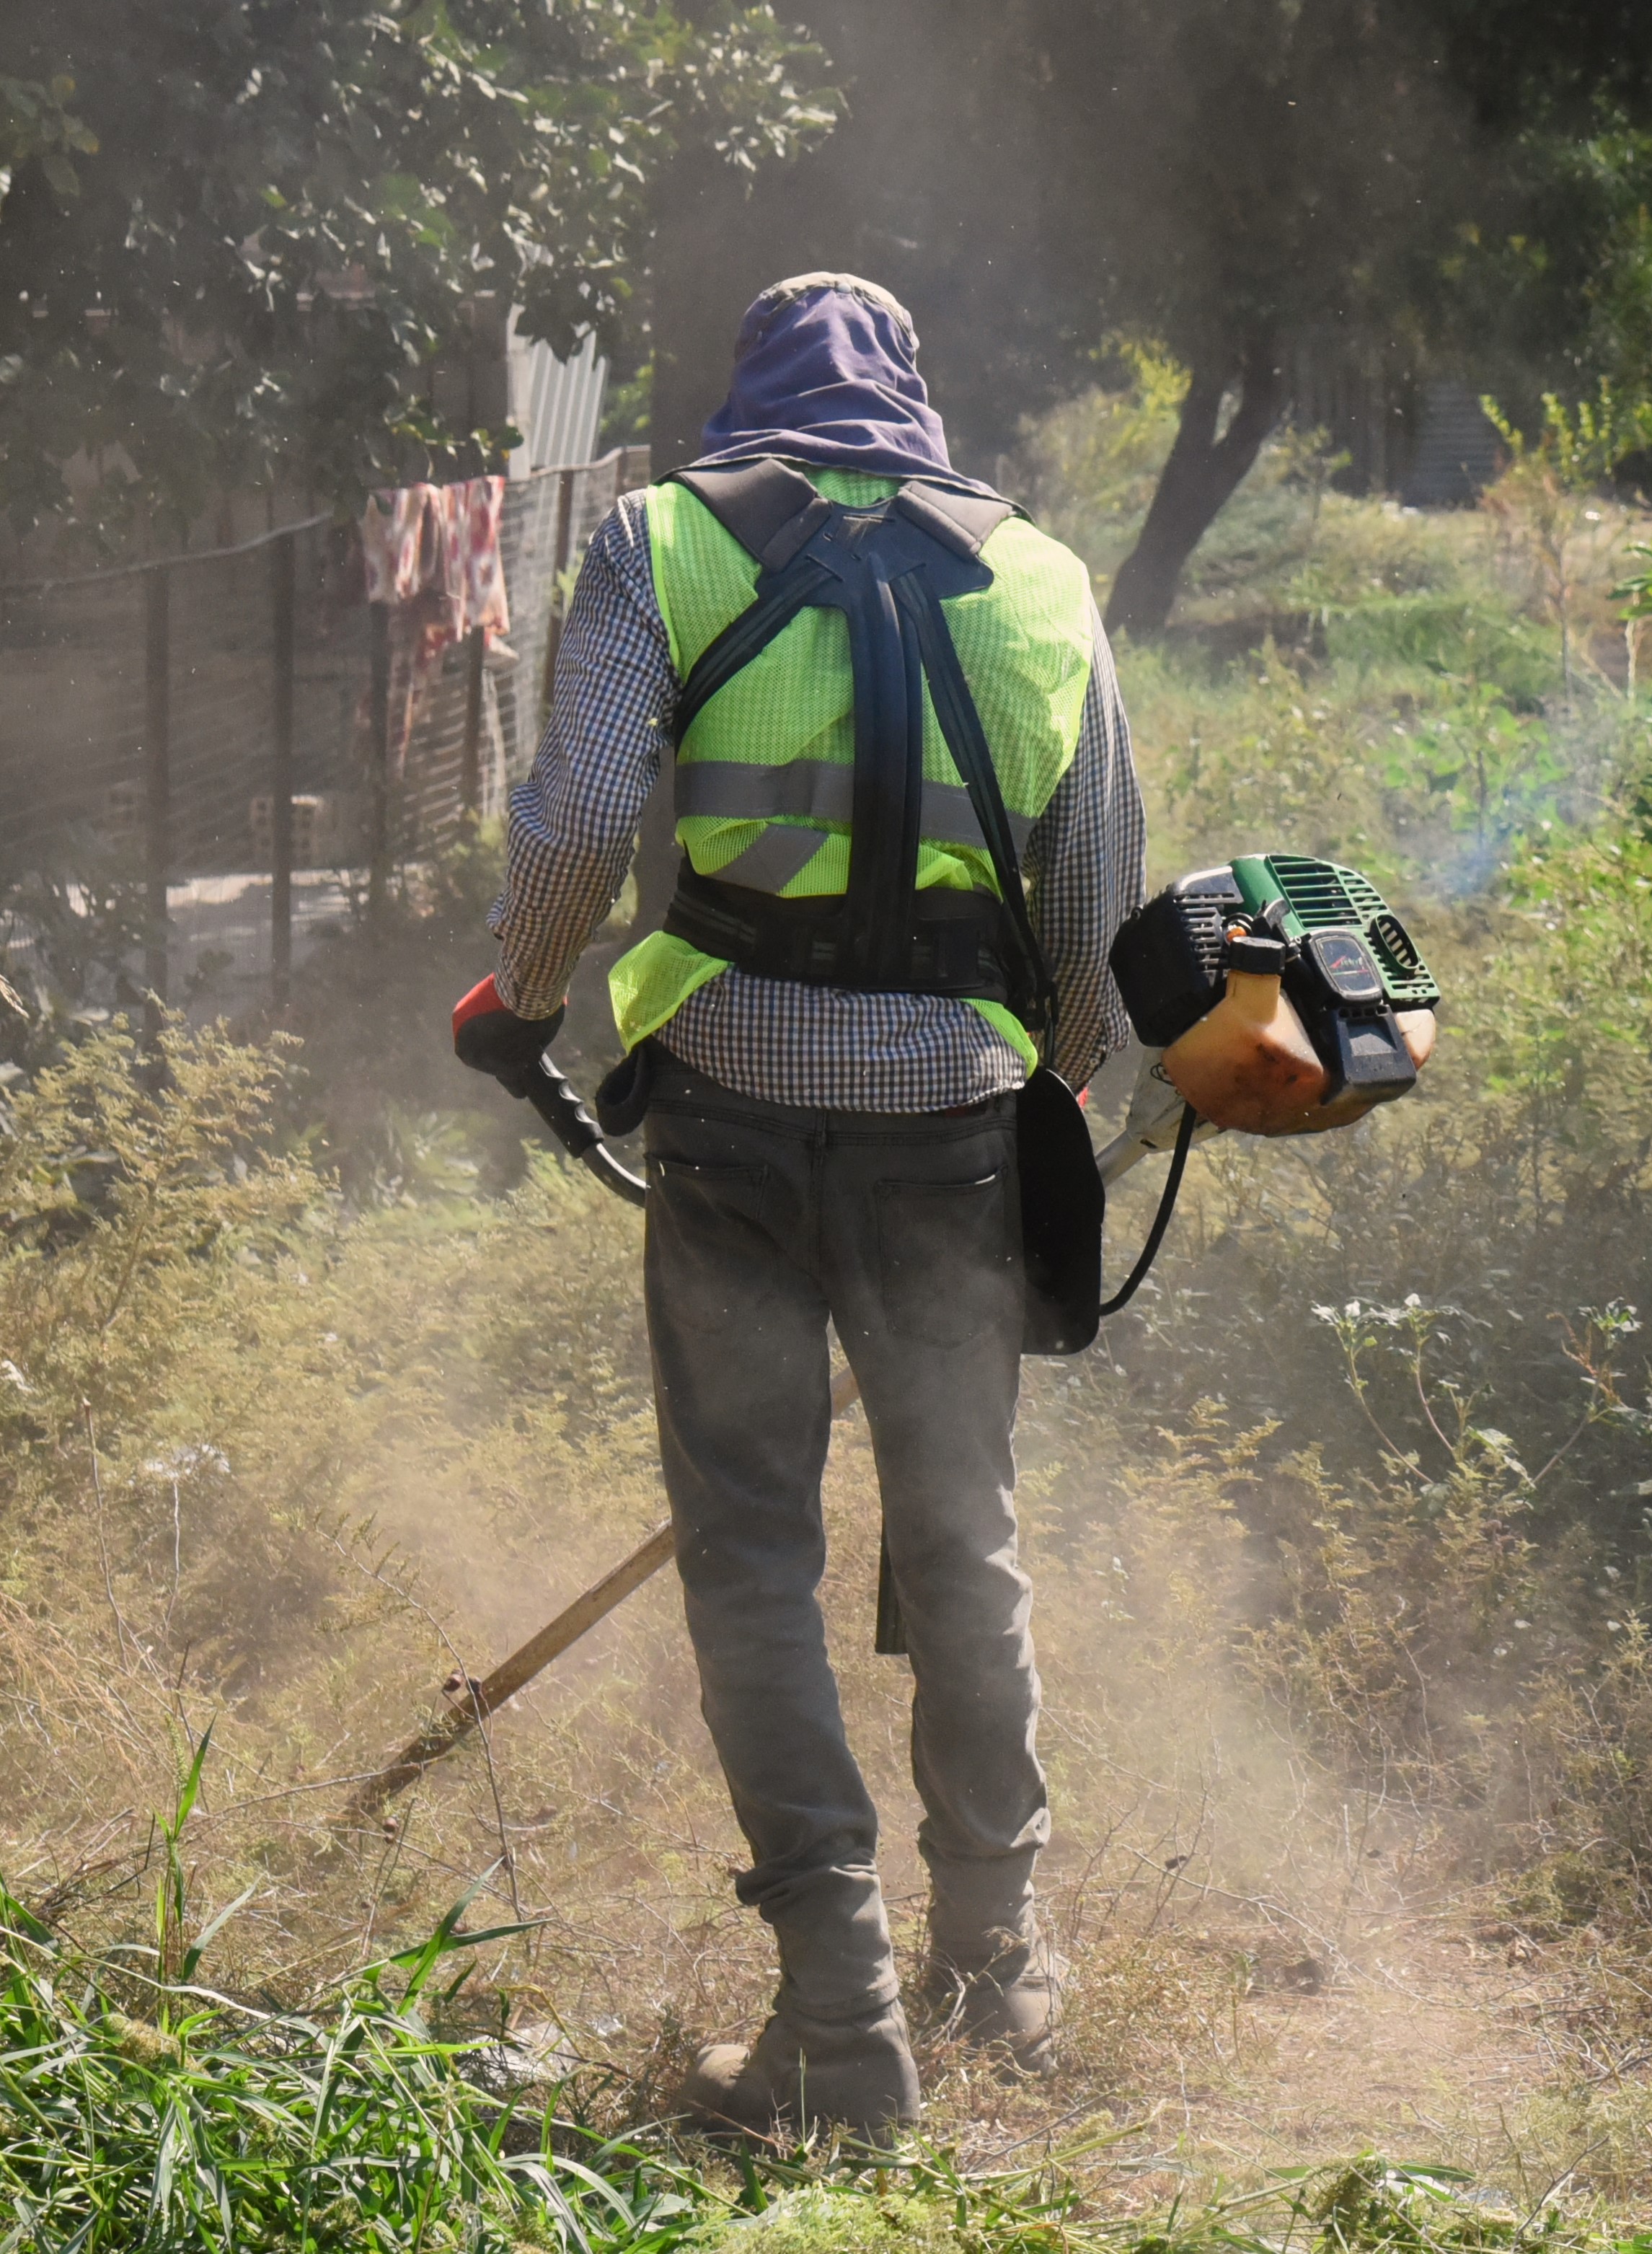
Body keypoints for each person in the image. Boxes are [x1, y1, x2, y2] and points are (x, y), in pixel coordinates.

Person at [454, 273, 1143, 2134]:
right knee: (960, 1526)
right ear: (914, 402)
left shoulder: (662, 540)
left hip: (735, 1123)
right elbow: (1094, 925)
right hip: (955, 1131)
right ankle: (1000, 1962)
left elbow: (585, 825)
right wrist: (1055, 1088)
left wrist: (520, 1003)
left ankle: (844, 2014)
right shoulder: (1047, 583)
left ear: (742, 394)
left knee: (752, 1544)